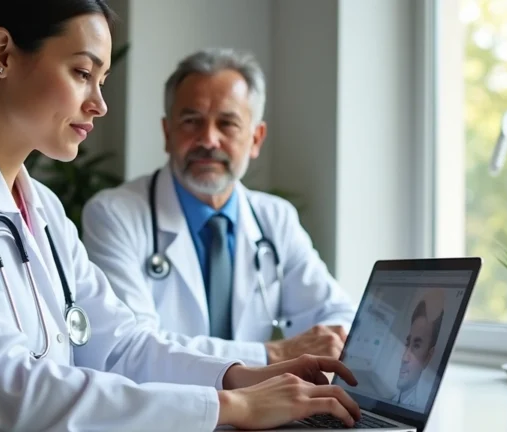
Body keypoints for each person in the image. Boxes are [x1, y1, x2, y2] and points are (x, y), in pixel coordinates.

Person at [0, 1, 363, 431]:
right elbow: (11, 396)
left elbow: (120, 344)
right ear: (2, 54)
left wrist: (249, 376)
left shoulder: (43, 210)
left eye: (101, 80)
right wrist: (232, 407)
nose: (99, 103)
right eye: (83, 72)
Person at [81, 48, 357, 367]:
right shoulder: (115, 215)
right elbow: (133, 347)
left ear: (256, 138)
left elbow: (338, 316)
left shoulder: (275, 218)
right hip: (170, 411)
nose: (208, 140)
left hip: (269, 410)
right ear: (167, 133)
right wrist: (272, 354)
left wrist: (332, 341)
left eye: (227, 124)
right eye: (191, 121)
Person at [392, 298, 444, 411]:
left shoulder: (420, 408)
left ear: (428, 357)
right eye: (407, 343)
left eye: (416, 346)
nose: (404, 358)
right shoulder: (389, 400)